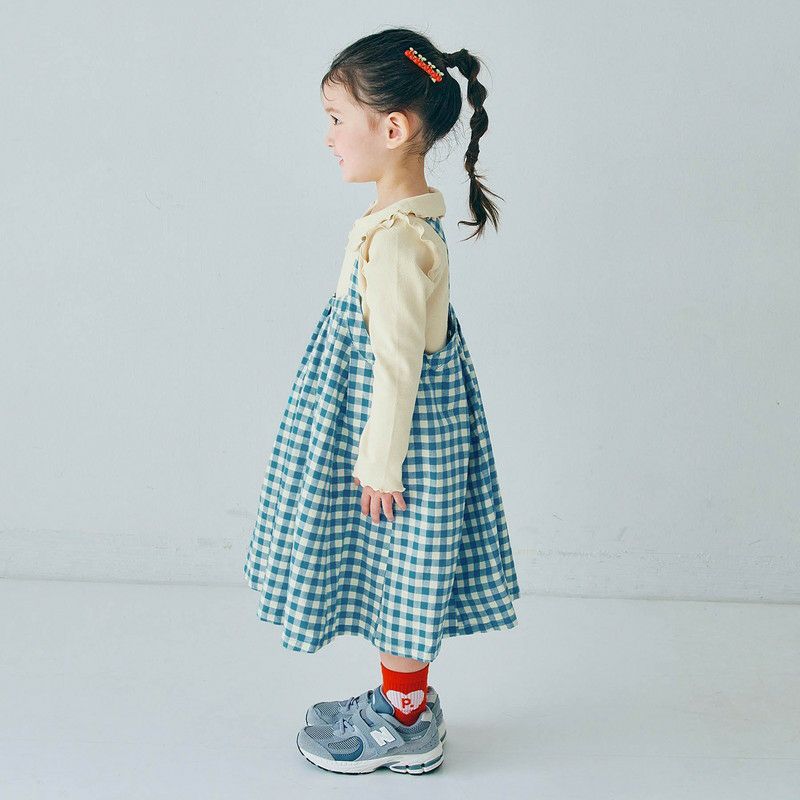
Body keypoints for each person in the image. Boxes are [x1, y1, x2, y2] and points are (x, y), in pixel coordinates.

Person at [243, 27, 520, 775]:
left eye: (337, 118)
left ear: (392, 129)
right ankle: (404, 703)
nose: (328, 137)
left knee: (401, 568)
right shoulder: (395, 225)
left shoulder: (399, 241)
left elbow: (398, 366)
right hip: (383, 431)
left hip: (396, 442)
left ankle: (404, 723)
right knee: (388, 569)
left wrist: (380, 464)